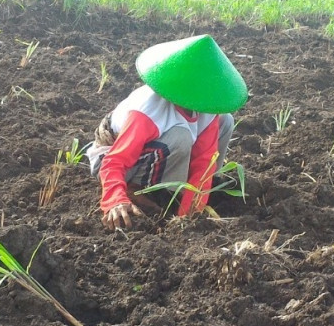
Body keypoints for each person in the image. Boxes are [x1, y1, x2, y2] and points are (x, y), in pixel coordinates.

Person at [86, 35, 248, 230]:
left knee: (226, 120)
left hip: (151, 155)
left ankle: (176, 193)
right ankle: (138, 190)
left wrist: (189, 217)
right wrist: (115, 199)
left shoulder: (208, 107)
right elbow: (115, 162)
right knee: (180, 135)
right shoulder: (148, 112)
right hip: (110, 160)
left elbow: (204, 164)